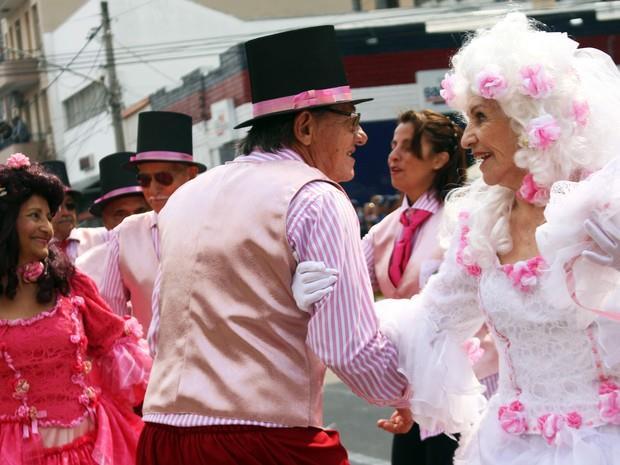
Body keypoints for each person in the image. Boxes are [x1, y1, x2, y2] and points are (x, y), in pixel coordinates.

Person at [294, 13, 620, 464]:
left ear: (530, 120)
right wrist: (334, 299)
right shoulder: (483, 224)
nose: (467, 137)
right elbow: (433, 321)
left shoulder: (605, 210)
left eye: (481, 117)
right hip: (508, 447)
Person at [138, 25, 411, 465]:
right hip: (263, 441)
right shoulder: (316, 196)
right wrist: (409, 391)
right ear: (305, 126)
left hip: (162, 437)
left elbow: (159, 335)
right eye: (351, 120)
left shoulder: (185, 197)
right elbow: (348, 346)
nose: (360, 137)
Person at [0, 153, 151, 465]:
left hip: (95, 447)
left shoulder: (69, 283)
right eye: (34, 216)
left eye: (47, 216)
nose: (47, 227)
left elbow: (116, 351)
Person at [95, 111, 205, 332]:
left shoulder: (217, 225)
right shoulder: (125, 234)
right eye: (144, 180)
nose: (153, 189)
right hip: (150, 365)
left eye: (163, 178)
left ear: (191, 175)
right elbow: (113, 317)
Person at [75, 151, 150, 285]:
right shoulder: (87, 268)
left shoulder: (169, 252)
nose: (132, 221)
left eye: (141, 211)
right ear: (105, 220)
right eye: (121, 214)